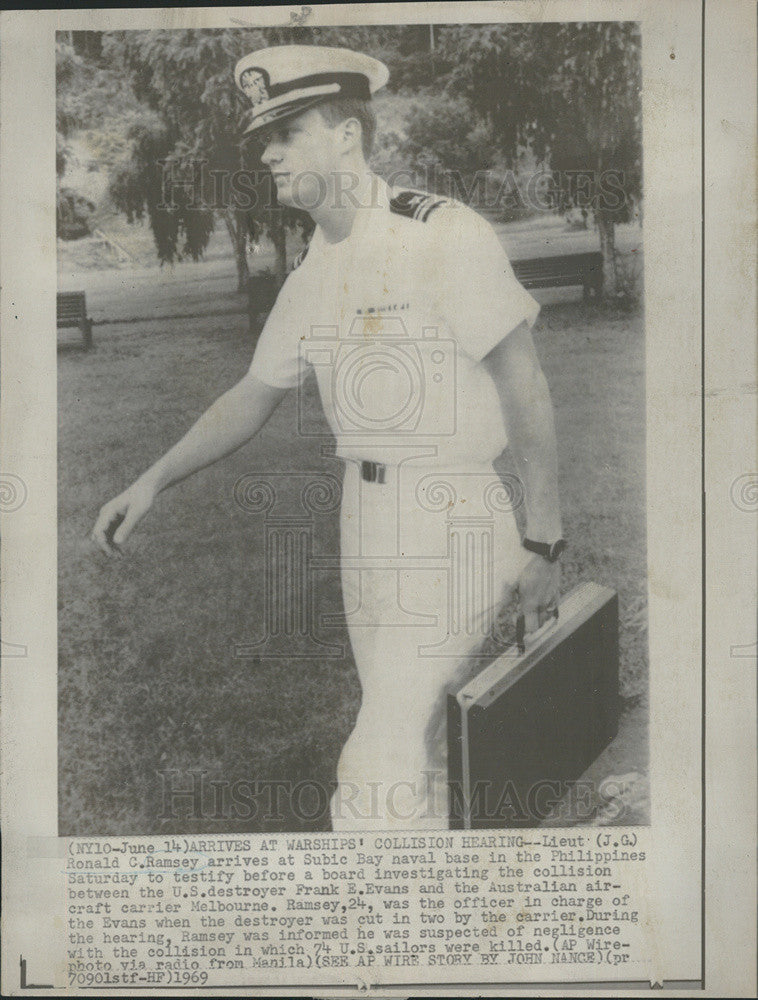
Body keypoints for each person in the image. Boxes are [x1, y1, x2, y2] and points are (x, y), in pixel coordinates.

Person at [92, 44, 565, 831]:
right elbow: (255, 392)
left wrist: (544, 543)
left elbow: (526, 384)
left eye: (288, 132)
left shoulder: (441, 234)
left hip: (450, 516)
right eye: (263, 139)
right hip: (365, 518)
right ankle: (437, 915)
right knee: (424, 742)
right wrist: (151, 479)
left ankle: (369, 944)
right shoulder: (314, 267)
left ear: (347, 135)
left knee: (374, 766)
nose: (269, 154)